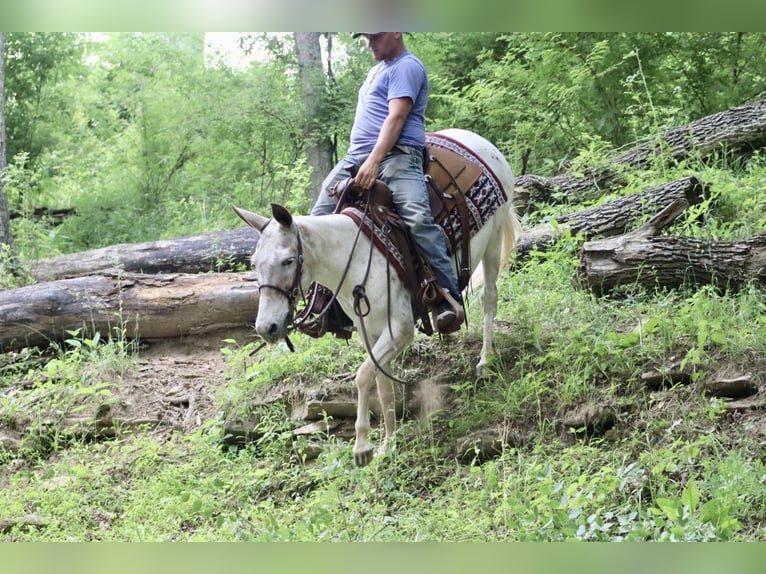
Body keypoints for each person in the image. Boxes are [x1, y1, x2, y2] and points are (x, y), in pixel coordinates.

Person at [310, 32, 463, 332]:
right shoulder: (374, 71)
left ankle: (447, 298)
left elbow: (396, 118)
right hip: (355, 157)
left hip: (398, 156)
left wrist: (374, 160)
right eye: (366, 37)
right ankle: (328, 305)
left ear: (396, 32)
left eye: (375, 36)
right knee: (317, 219)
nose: (369, 43)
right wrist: (362, 159)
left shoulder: (407, 66)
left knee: (418, 218)